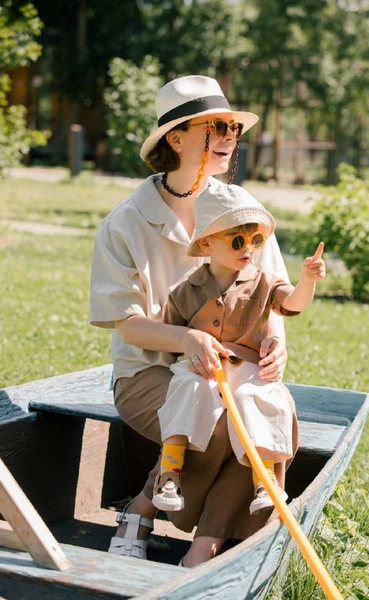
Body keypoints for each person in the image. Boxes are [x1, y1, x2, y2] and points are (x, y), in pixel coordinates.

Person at [90, 74, 297, 568]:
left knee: (275, 416)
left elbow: (272, 300)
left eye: (233, 128)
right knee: (224, 421)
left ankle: (200, 546)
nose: (229, 136)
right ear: (175, 138)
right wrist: (188, 338)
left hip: (235, 370)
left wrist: (276, 342)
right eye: (215, 126)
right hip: (148, 372)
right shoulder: (126, 221)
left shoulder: (242, 210)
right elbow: (128, 325)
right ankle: (149, 509)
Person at [153, 185, 325, 516]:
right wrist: (183, 351)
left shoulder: (264, 282)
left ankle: (265, 481)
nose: (248, 248)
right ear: (206, 243)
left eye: (255, 240)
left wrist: (308, 281)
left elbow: (292, 303)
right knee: (187, 387)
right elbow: (170, 331)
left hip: (246, 365)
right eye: (236, 241)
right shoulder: (187, 290)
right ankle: (169, 473)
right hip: (203, 364)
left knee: (254, 398)